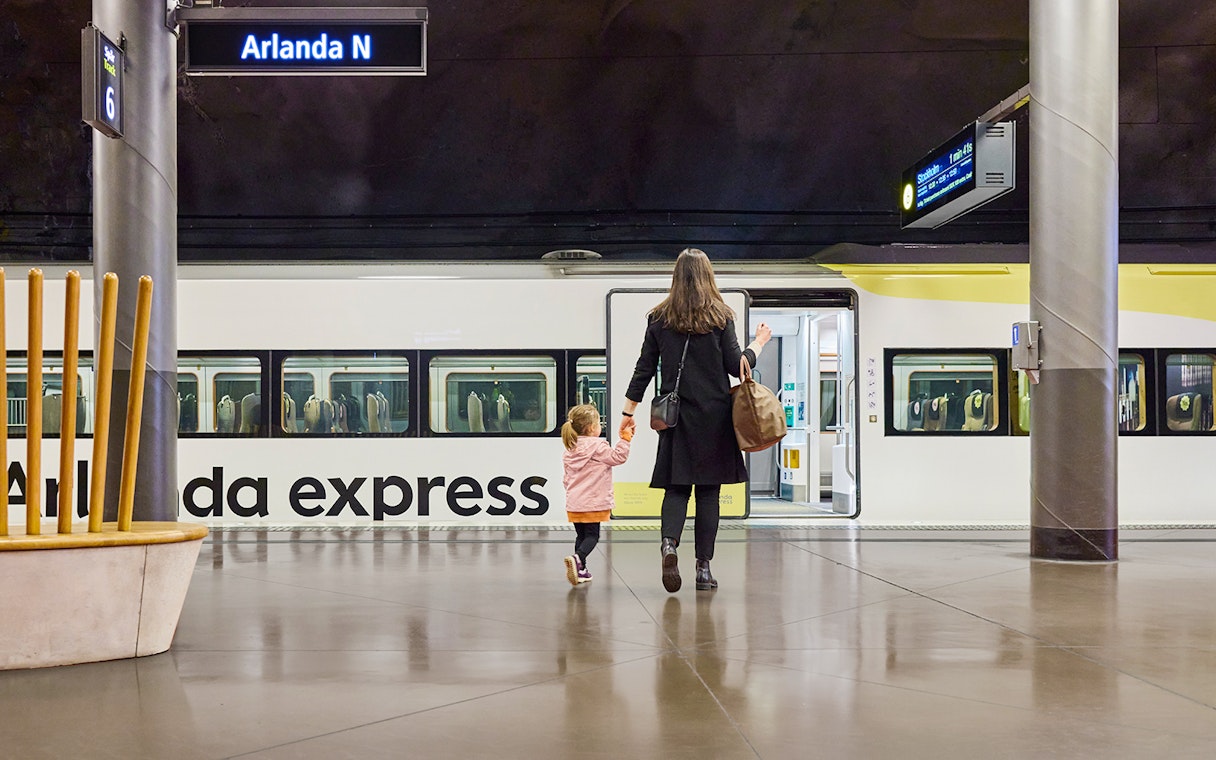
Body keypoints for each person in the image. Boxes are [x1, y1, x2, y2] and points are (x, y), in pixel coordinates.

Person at [619, 248, 771, 592]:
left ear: (676, 276)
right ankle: (703, 569)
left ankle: (669, 544)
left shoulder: (659, 318)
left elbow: (643, 369)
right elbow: (737, 367)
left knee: (676, 490)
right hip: (715, 418)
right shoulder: (720, 316)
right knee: (707, 495)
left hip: (676, 419)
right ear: (708, 276)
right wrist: (758, 343)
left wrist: (628, 413)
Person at [561, 403, 632, 586]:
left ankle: (581, 570)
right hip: (593, 502)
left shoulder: (570, 449)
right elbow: (618, 458)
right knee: (593, 537)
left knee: (581, 536)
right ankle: (578, 558)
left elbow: (566, 479)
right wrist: (625, 439)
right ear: (592, 428)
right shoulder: (598, 446)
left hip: (574, 502)